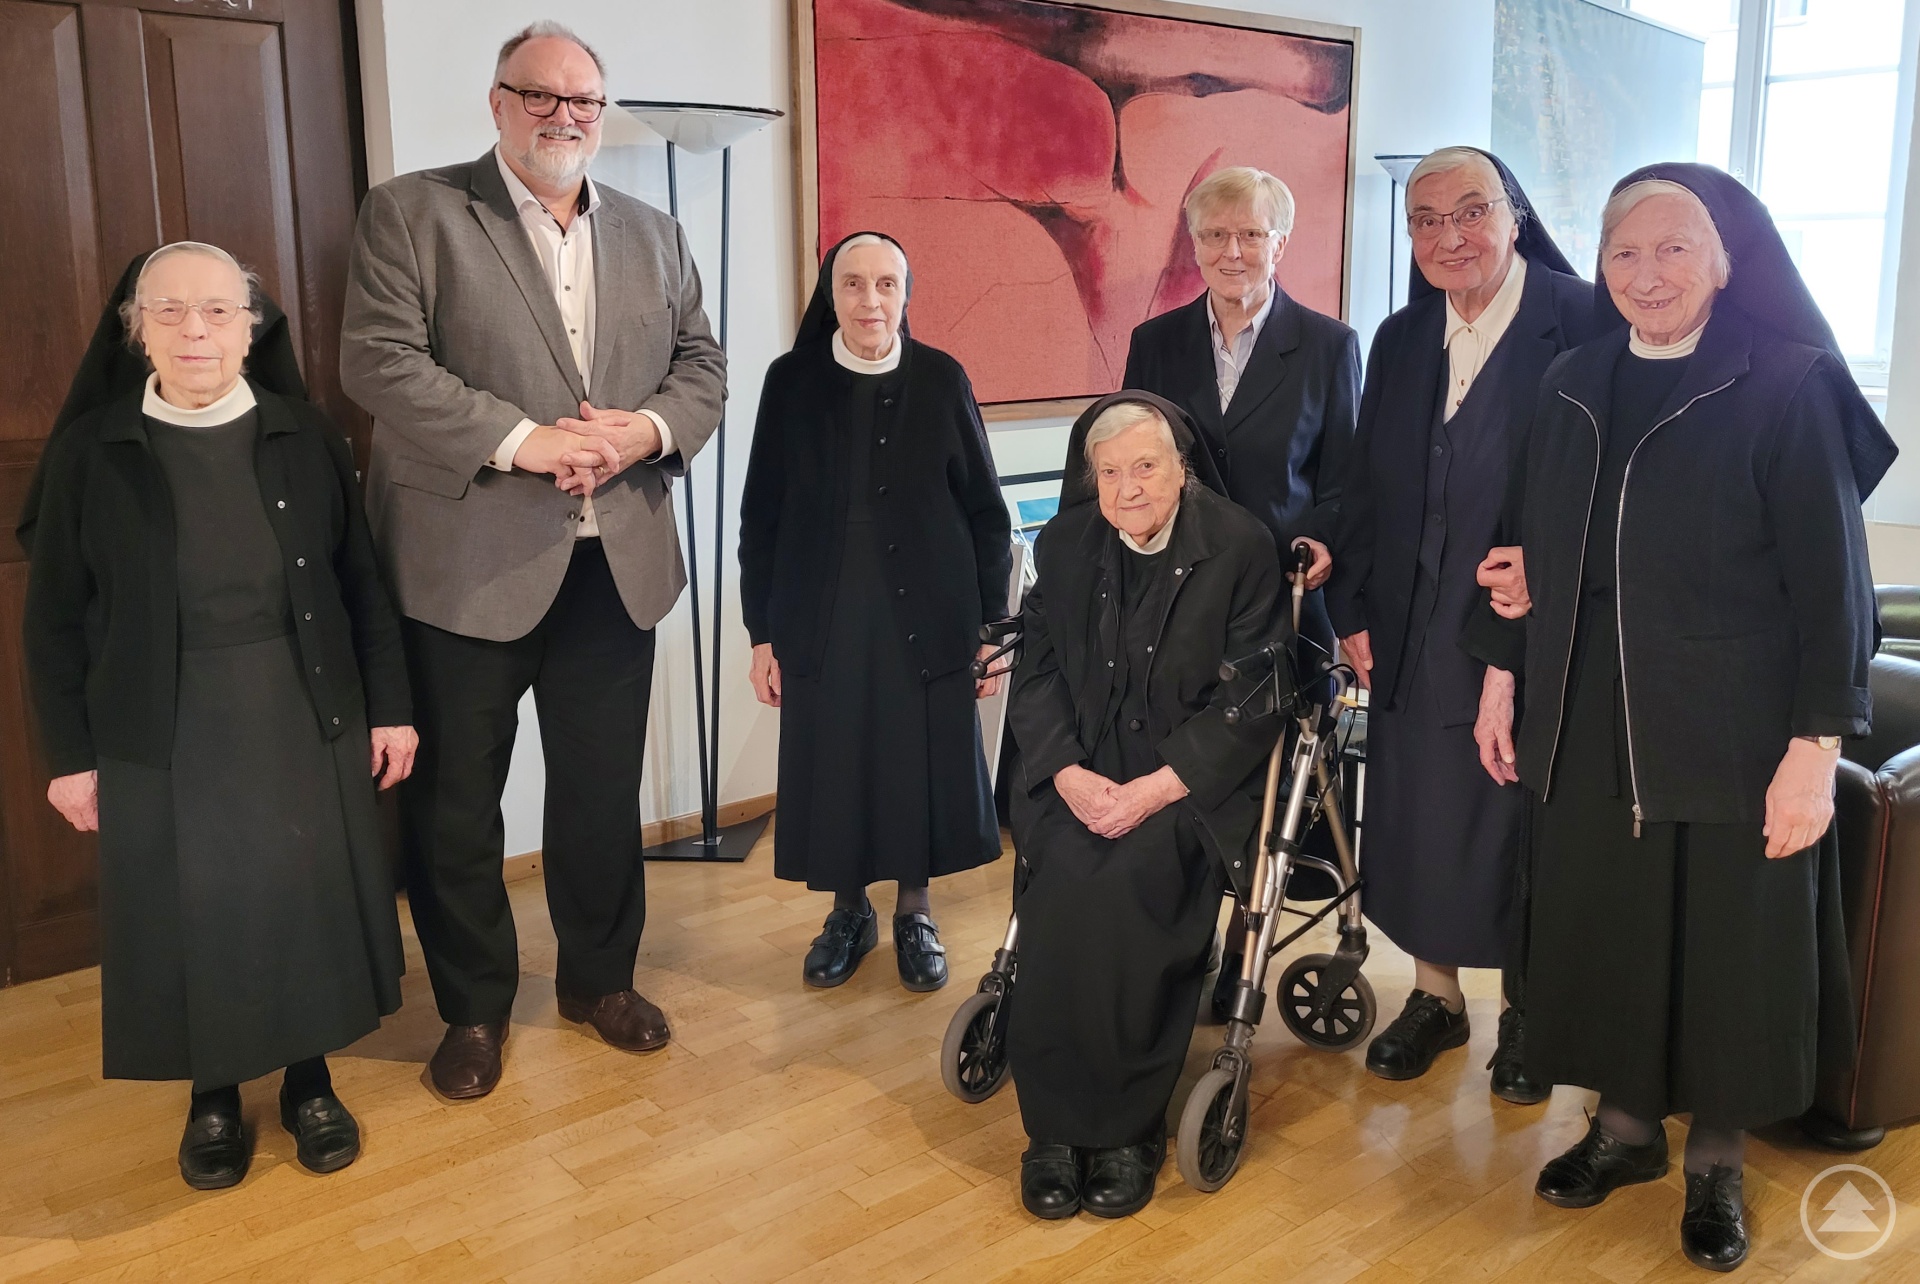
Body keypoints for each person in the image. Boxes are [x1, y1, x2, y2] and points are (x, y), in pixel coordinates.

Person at [1471, 165, 1893, 1272]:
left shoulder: (1788, 385)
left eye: (1673, 250)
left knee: (1727, 954)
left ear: (1721, 263)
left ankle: (1712, 1157)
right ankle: (1622, 1130)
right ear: (1599, 266)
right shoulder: (1569, 381)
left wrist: (1816, 748)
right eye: (1623, 253)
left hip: (1736, 732)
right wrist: (1503, 666)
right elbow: (1525, 554)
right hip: (1587, 721)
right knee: (1610, 931)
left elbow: (1832, 590)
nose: (1646, 274)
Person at [340, 22, 726, 1099]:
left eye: (586, 101)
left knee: (599, 794)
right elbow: (377, 362)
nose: (566, 117)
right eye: (542, 96)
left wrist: (640, 433)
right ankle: (473, 1009)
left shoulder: (656, 232)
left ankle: (599, 979)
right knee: (459, 804)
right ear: (499, 103)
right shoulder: (412, 212)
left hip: (617, 565)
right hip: (464, 564)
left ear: (604, 113)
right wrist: (529, 440)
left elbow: (703, 365)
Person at [22, 241, 415, 1190]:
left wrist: (390, 709)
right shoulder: (92, 451)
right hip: (163, 724)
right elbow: (54, 621)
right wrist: (70, 757)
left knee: (302, 897)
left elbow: (360, 581)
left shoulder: (302, 432)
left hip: (299, 701)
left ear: (251, 327)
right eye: (169, 312)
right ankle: (211, 1094)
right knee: (194, 911)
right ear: (136, 329)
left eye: (217, 311)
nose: (195, 330)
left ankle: (311, 1084)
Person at [1324, 147, 1611, 1100]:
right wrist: (1352, 609)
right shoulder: (1402, 336)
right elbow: (1364, 484)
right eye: (1426, 220)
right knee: (1414, 824)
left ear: (1515, 215)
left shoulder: (1582, 319)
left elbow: (1613, 481)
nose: (1450, 237)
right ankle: (1436, 998)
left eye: (1471, 212)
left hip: (1529, 628)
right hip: (1408, 624)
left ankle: (1530, 1014)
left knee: (1518, 826)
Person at [1005, 392, 1285, 1221]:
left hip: (1187, 786)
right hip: (1082, 775)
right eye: (1110, 472)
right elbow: (1039, 672)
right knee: (1058, 875)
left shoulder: (1239, 546)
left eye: (1146, 467)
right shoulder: (1062, 543)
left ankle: (1126, 1130)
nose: (1128, 488)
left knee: (1129, 885)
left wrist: (1154, 789)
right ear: (1090, 478)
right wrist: (1063, 774)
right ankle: (1054, 1128)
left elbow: (1254, 699)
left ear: (1180, 466)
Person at [740, 233, 1011, 991]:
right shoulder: (790, 381)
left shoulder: (942, 378)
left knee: (917, 763)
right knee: (838, 762)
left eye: (886, 285)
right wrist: (760, 632)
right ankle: (848, 911)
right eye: (854, 284)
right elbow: (760, 514)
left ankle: (914, 911)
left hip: (929, 612)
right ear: (832, 294)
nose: (870, 301)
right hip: (820, 613)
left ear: (906, 295)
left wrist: (992, 633)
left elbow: (988, 515)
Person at [1120, 165, 1359, 1012]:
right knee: (1178, 770)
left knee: (1259, 786)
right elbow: (1132, 464)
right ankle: (1171, 942)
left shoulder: (1330, 345)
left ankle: (1240, 948)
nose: (1232, 251)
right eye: (1215, 235)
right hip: (1178, 600)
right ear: (1193, 245)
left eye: (1250, 234)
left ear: (1279, 244)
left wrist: (1324, 536)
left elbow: (1343, 476)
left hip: (1283, 598)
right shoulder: (1156, 343)